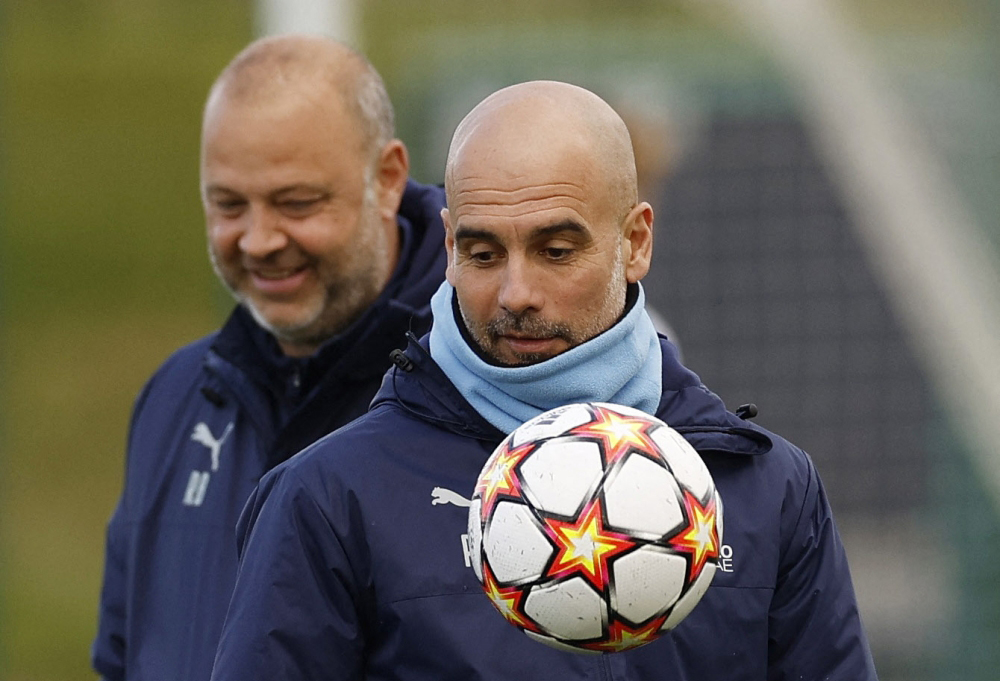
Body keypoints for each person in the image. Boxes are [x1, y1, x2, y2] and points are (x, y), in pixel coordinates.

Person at [210, 81, 878, 680]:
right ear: (447, 248)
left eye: (556, 251)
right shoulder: (331, 497)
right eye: (483, 252)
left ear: (636, 241)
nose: (516, 292)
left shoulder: (767, 490)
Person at [92, 35, 448, 681]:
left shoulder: (481, 393)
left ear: (388, 179)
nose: (258, 240)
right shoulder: (176, 398)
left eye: (296, 202)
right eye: (228, 204)